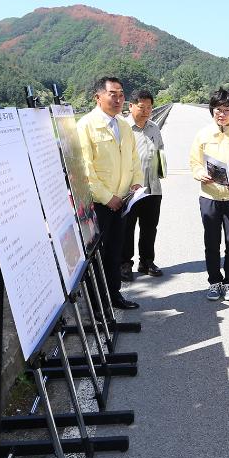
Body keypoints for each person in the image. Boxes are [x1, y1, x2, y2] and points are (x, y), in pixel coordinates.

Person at [76, 77, 144, 310]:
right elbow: (85, 169)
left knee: (116, 252)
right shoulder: (85, 126)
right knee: (97, 256)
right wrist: (107, 198)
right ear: (98, 97)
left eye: (121, 94)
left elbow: (133, 158)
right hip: (99, 204)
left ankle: (114, 296)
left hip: (123, 201)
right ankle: (97, 306)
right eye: (112, 94)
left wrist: (136, 183)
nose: (118, 99)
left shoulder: (123, 125)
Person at [189, 87, 229, 302]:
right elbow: (195, 162)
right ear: (212, 110)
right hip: (209, 197)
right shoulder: (203, 134)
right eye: (218, 109)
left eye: (226, 109)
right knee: (211, 241)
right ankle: (214, 282)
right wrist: (200, 174)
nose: (222, 113)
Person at [119, 89, 165, 280]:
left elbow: (160, 150)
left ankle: (146, 261)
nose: (146, 111)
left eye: (149, 107)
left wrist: (161, 172)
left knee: (150, 227)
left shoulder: (154, 127)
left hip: (152, 187)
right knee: (127, 228)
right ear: (130, 106)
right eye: (141, 107)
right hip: (130, 189)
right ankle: (125, 263)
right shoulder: (122, 128)